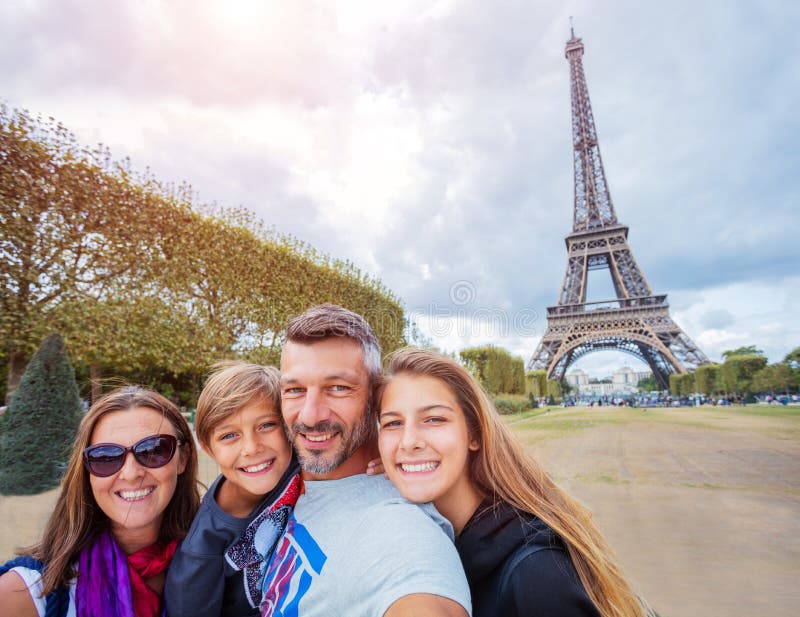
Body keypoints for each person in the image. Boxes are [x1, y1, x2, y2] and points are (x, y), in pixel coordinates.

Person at [378, 348, 648, 617]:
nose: (409, 441)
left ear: (474, 434)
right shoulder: (433, 539)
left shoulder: (537, 575)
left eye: (434, 419)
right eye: (392, 423)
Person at [259, 304, 471, 616]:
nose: (310, 415)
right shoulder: (282, 477)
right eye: (294, 390)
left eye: (338, 388)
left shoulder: (399, 530)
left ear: (375, 396)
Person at [0, 386, 200, 617]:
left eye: (153, 449)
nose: (130, 473)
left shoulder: (225, 568)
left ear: (182, 458)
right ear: (86, 472)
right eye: (105, 457)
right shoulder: (22, 593)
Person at [165, 362, 301, 617]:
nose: (251, 448)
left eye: (266, 425)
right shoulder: (203, 548)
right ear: (207, 448)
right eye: (229, 436)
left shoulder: (303, 466)